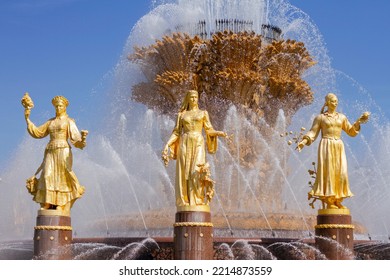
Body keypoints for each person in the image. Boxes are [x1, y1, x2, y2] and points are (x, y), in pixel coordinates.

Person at [297, 93, 369, 209]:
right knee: (328, 173)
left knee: (342, 173)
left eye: (336, 101)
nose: (335, 103)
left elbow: (351, 132)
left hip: (339, 146)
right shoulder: (320, 118)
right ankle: (329, 200)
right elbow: (313, 132)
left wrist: (358, 122)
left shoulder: (342, 117)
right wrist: (304, 142)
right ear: (327, 102)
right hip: (326, 145)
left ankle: (337, 199)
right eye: (332, 101)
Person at [162, 90, 226, 208]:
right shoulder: (181, 115)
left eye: (195, 97)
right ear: (187, 99)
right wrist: (167, 144)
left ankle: (197, 199)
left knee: (196, 170)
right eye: (191, 97)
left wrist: (218, 133)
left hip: (198, 142)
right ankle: (185, 200)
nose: (193, 99)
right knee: (184, 172)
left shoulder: (203, 113)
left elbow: (208, 129)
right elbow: (176, 132)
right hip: (185, 142)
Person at [24, 95, 88, 214]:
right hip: (50, 150)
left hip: (63, 150)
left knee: (62, 176)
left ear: (65, 107)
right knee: (47, 175)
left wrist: (83, 139)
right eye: (56, 106)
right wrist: (27, 118)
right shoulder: (50, 122)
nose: (58, 108)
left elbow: (76, 140)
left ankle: (61, 203)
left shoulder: (69, 121)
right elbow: (38, 132)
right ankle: (48, 202)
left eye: (60, 106)